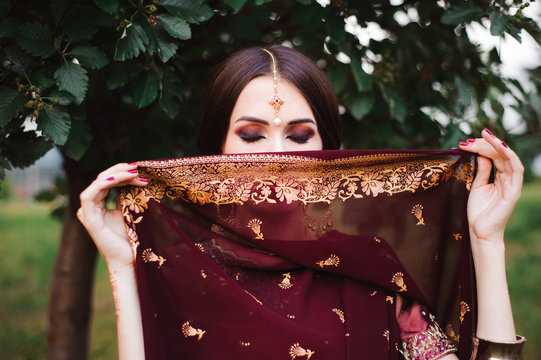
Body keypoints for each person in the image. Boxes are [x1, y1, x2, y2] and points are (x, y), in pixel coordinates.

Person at [78, 45, 525, 359]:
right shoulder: (181, 266)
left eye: (299, 135)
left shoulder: (373, 272)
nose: (278, 156)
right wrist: (123, 265)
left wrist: (488, 241)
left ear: (328, 152)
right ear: (215, 150)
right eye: (252, 136)